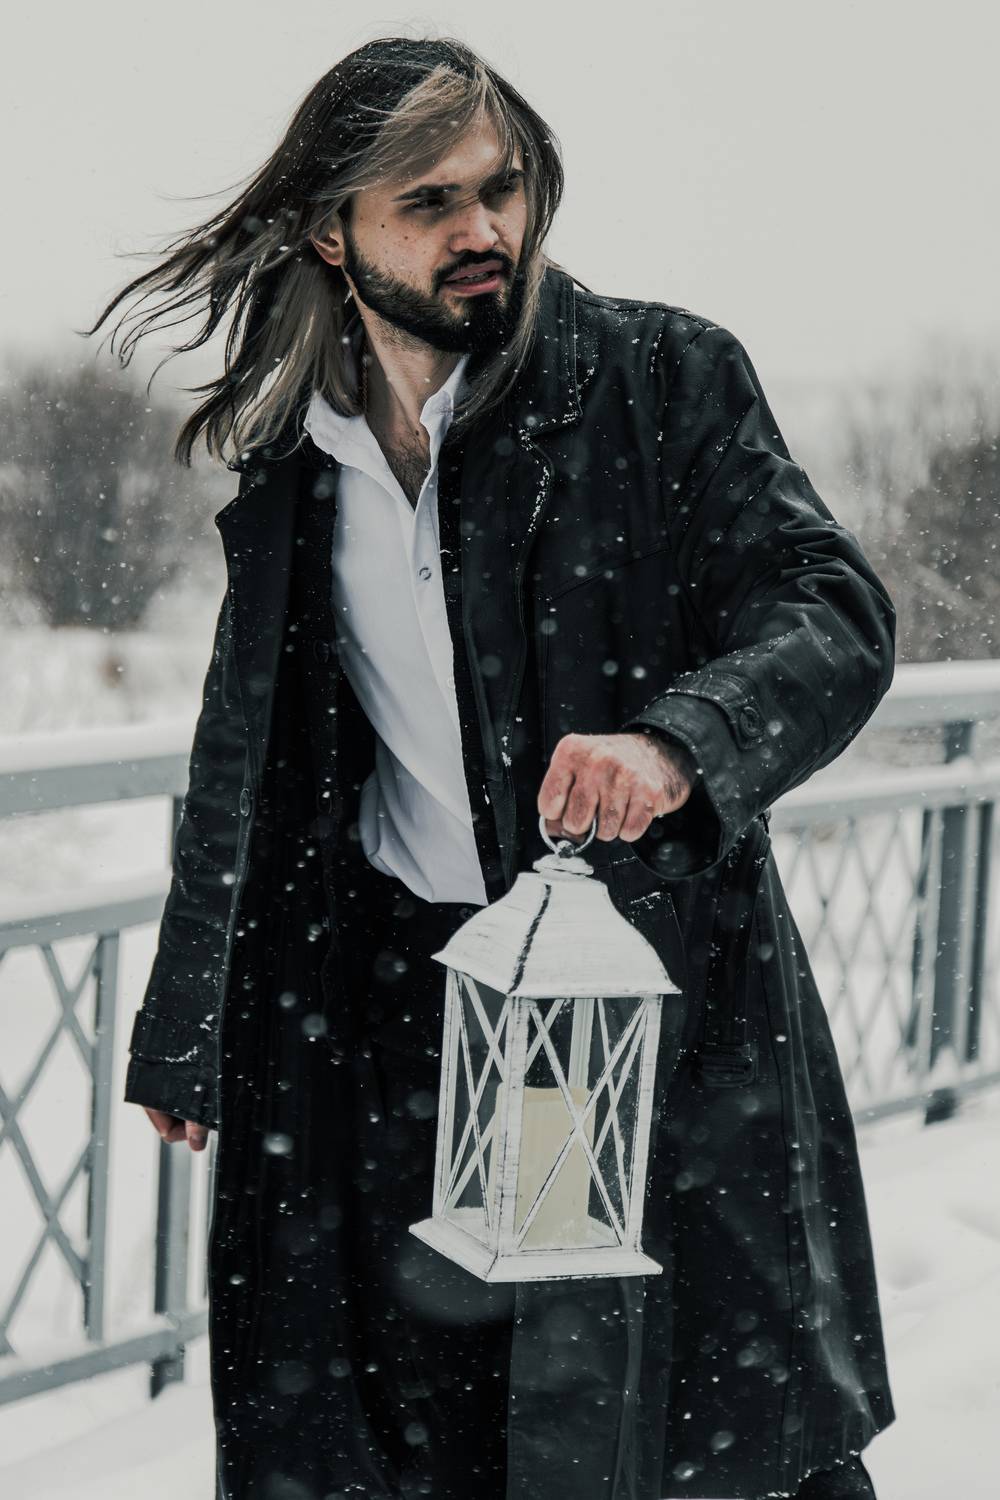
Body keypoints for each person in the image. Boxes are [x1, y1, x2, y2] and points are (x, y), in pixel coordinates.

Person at [88, 35, 895, 1500]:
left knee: (685, 1434)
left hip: (641, 1003)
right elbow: (246, 755)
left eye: (501, 190)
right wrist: (195, 1011)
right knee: (417, 1435)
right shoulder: (297, 464)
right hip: (398, 1023)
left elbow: (831, 615)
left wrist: (679, 742)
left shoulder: (660, 380)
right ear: (330, 234)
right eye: (430, 202)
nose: (483, 231)